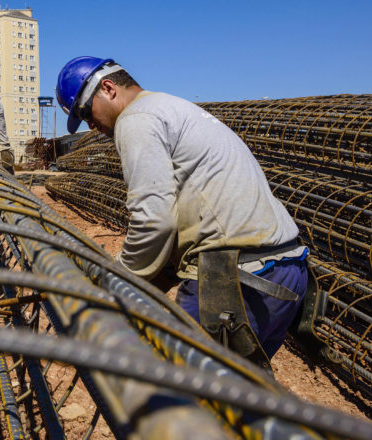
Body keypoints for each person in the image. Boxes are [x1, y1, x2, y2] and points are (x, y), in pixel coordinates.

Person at [55, 56, 308, 367]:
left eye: (85, 112)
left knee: (183, 401)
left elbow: (154, 221)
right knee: (235, 396)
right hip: (286, 270)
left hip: (233, 279)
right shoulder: (170, 106)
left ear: (108, 88)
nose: (90, 125)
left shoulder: (136, 119)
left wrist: (116, 282)